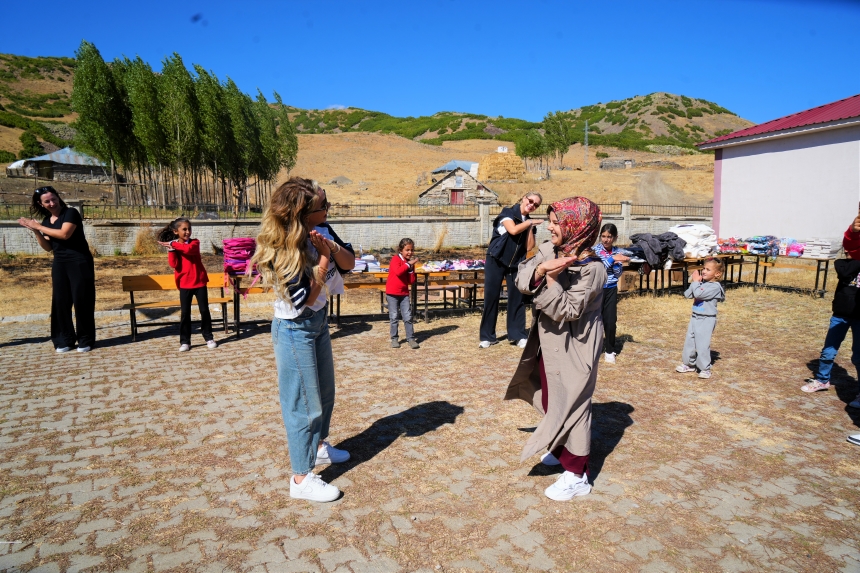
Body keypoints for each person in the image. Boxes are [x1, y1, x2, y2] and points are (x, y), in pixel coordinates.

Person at [248, 177, 354, 503]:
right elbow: (305, 298)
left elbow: (350, 262)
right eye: (323, 206)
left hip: (318, 324)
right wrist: (323, 259)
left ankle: (319, 448)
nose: (328, 209)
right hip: (295, 330)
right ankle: (300, 477)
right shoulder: (283, 248)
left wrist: (331, 248)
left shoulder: (320, 231)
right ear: (304, 214)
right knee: (302, 406)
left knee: (325, 393)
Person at [504, 197, 606, 501]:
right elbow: (522, 278)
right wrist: (539, 272)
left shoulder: (593, 269)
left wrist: (549, 279)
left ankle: (577, 475)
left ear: (577, 226)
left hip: (576, 345)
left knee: (574, 405)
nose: (549, 227)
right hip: (548, 342)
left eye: (555, 222)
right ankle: (561, 449)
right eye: (549, 221)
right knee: (552, 397)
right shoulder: (551, 249)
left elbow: (570, 310)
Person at [18, 186, 96, 353]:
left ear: (58, 198)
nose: (52, 203)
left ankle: (85, 339)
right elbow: (48, 247)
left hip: (79, 262)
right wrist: (36, 231)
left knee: (81, 300)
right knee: (60, 302)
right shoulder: (46, 222)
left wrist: (39, 227)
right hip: (60, 264)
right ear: (41, 204)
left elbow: (64, 234)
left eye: (54, 199)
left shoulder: (70, 213)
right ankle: (65, 340)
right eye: (47, 201)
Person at [802, 211, 860, 408]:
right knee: (828, 351)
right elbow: (850, 243)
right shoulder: (849, 264)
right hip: (841, 315)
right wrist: (852, 231)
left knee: (858, 356)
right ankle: (822, 379)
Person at [479, 192, 543, 349]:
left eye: (536, 205)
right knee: (491, 297)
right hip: (496, 259)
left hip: (515, 264)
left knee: (517, 298)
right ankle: (487, 336)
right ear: (523, 198)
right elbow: (513, 230)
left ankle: (517, 335)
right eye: (530, 201)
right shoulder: (508, 213)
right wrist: (528, 223)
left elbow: (529, 247)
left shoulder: (528, 222)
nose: (532, 205)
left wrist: (530, 226)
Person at [156, 217, 217, 352]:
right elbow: (174, 265)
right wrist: (172, 250)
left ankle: (209, 338)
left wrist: (173, 244)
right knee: (185, 313)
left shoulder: (195, 242)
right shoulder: (175, 247)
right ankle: (185, 342)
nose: (188, 232)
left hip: (199, 282)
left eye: (189, 229)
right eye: (184, 229)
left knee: (204, 311)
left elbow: (189, 250)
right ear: (176, 231)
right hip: (184, 284)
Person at [675, 258, 725, 379]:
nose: (704, 271)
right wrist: (695, 282)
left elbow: (698, 294)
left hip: (706, 319)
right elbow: (687, 294)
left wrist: (696, 283)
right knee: (689, 341)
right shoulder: (701, 284)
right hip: (695, 317)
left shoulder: (715, 287)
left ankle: (705, 368)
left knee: (702, 344)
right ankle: (689, 364)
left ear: (717, 274)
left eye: (708, 269)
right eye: (703, 268)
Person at [594, 223, 629, 364]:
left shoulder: (617, 252)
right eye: (603, 236)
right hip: (597, 289)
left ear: (615, 237)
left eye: (609, 237)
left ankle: (609, 350)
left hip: (611, 289)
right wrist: (612, 259)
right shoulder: (595, 250)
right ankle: (593, 348)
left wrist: (616, 264)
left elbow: (618, 273)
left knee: (610, 320)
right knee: (594, 319)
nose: (606, 239)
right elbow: (599, 269)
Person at [386, 238, 419, 349]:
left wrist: (411, 269)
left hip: (404, 293)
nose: (410, 252)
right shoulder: (396, 259)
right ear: (401, 250)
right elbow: (398, 272)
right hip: (392, 293)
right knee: (394, 316)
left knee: (408, 316)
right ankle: (394, 338)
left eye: (412, 250)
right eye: (407, 250)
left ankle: (411, 338)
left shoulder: (409, 264)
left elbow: (411, 281)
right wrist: (408, 264)